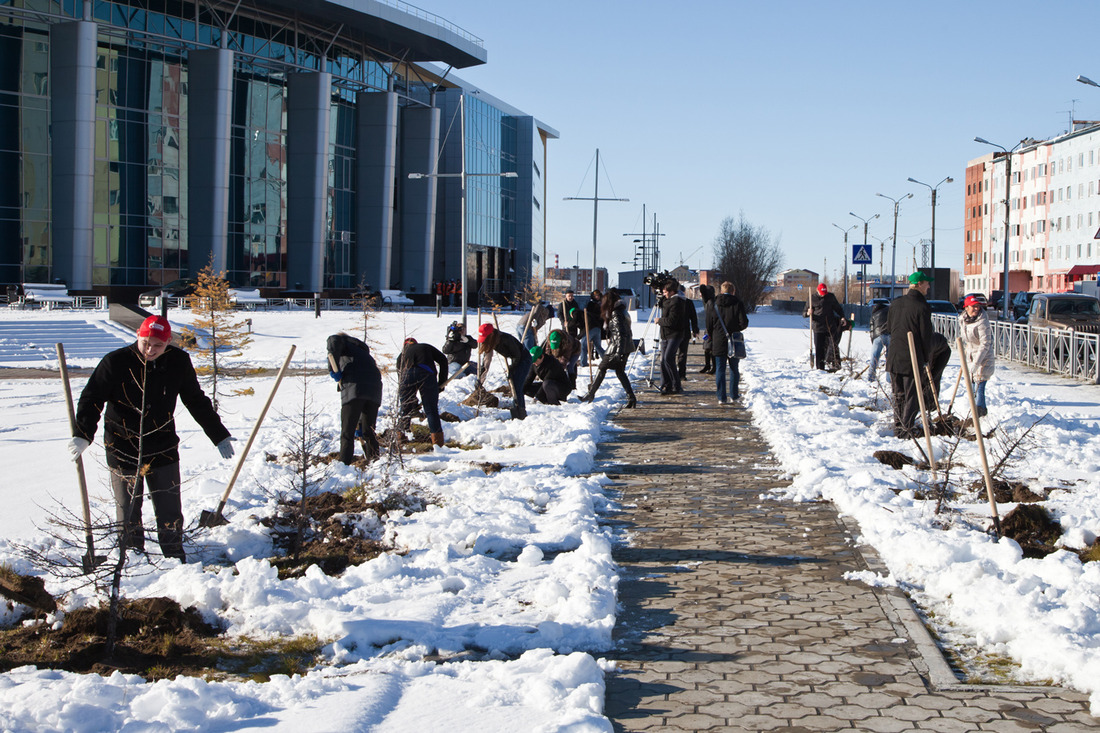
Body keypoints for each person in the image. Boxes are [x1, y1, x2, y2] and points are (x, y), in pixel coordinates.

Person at [68, 315, 234, 561]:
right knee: (128, 511)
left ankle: (174, 557)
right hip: (122, 446)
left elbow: (196, 400)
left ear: (168, 342)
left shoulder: (178, 362)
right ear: (138, 334)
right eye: (146, 342)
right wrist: (83, 435)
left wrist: (218, 434)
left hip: (163, 446)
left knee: (169, 511)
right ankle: (131, 559)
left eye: (158, 345)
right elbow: (91, 399)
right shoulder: (115, 362)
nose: (150, 349)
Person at [886, 272, 934, 438]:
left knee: (898, 395)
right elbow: (925, 336)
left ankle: (899, 426)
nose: (929, 286)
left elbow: (889, 327)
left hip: (894, 355)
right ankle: (905, 429)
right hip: (912, 357)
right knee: (912, 395)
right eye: (927, 283)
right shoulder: (922, 306)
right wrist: (926, 358)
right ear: (919, 284)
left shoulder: (896, 303)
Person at [327, 332, 383, 465]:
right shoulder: (362, 352)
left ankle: (344, 465)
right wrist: (360, 423)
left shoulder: (339, 340)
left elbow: (332, 343)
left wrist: (333, 371)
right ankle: (375, 462)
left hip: (354, 387)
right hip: (374, 389)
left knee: (347, 431)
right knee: (369, 430)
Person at [579, 290, 637, 408]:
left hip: (617, 347)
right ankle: (631, 397)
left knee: (602, 367)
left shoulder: (616, 313)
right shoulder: (622, 310)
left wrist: (618, 352)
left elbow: (621, 334)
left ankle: (590, 394)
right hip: (624, 346)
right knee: (620, 372)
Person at [396, 337, 448, 447]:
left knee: (405, 408)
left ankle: (401, 438)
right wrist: (441, 383)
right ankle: (438, 443)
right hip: (426, 374)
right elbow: (443, 359)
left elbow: (401, 379)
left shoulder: (401, 356)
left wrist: (411, 402)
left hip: (407, 375)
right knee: (431, 409)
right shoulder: (425, 346)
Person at [706, 281, 749, 404]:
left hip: (718, 339)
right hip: (734, 340)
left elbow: (708, 323)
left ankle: (721, 397)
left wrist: (711, 334)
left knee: (720, 368)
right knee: (734, 368)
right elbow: (744, 323)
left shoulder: (713, 303)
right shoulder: (737, 303)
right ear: (733, 291)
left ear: (721, 291)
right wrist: (735, 329)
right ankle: (734, 395)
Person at [478, 323, 533, 420]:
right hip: (515, 359)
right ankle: (517, 407)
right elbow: (486, 360)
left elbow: (517, 355)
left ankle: (520, 410)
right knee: (515, 386)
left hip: (523, 359)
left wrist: (512, 369)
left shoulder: (506, 339)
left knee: (517, 385)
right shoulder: (490, 342)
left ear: (491, 334)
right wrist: (480, 377)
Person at [959, 295, 994, 417]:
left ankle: (980, 414)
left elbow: (985, 343)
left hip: (984, 358)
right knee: (972, 387)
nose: (976, 309)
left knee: (979, 388)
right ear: (966, 307)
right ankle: (976, 413)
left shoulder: (982, 321)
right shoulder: (962, 319)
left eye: (978, 306)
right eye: (973, 306)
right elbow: (965, 339)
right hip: (970, 356)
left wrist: (976, 363)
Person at [807, 283, 846, 371]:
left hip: (830, 325)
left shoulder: (830, 297)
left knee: (834, 344)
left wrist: (842, 317)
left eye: (824, 293)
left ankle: (836, 365)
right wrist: (808, 313)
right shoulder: (812, 298)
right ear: (817, 290)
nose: (823, 295)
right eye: (821, 293)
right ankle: (820, 369)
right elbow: (804, 313)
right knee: (819, 348)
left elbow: (838, 309)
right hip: (818, 327)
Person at [657, 280, 687, 394]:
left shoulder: (677, 302)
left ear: (671, 291)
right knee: (663, 360)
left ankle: (676, 384)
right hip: (666, 334)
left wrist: (659, 321)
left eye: (665, 292)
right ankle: (666, 384)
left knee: (668, 358)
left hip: (674, 334)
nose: (664, 294)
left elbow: (671, 320)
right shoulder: (669, 300)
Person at [676, 285, 700, 380]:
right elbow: (693, 317)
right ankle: (682, 374)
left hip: (673, 332)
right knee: (682, 353)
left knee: (671, 354)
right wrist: (695, 330)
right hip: (685, 331)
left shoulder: (671, 301)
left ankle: (673, 374)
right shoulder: (688, 302)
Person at [580, 290, 605, 367]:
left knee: (584, 345)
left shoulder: (601, 304)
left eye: (598, 295)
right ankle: (605, 359)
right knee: (597, 345)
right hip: (595, 326)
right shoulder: (590, 304)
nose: (597, 297)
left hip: (594, 326)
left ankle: (583, 363)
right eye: (595, 296)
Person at [867, 300, 890, 382]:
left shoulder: (874, 314)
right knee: (889, 358)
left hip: (878, 336)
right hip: (890, 335)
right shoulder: (890, 312)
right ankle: (889, 379)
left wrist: (873, 341)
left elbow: (872, 329)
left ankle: (871, 377)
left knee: (874, 357)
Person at [698, 284, 716, 374]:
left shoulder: (711, 302)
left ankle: (714, 367)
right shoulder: (707, 301)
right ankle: (707, 365)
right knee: (707, 348)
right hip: (708, 327)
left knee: (711, 348)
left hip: (712, 328)